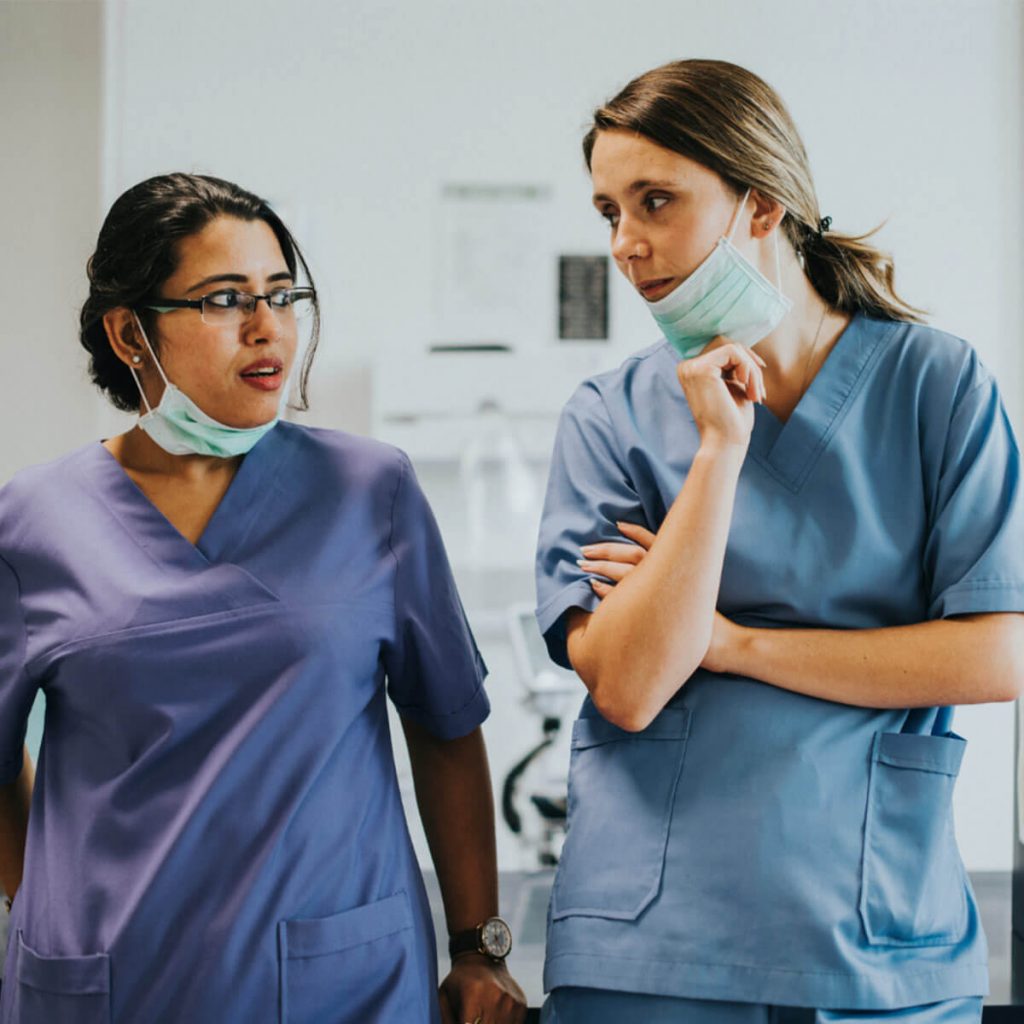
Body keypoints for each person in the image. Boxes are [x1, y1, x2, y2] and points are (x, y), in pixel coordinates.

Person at [534, 60, 1024, 1024]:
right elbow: (630, 684)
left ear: (761, 203)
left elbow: (996, 652)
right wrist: (720, 446)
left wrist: (725, 643)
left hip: (874, 946)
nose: (626, 246)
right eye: (608, 213)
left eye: (656, 202)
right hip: (648, 949)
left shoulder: (937, 387)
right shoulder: (613, 416)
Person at [0, 173, 527, 1024]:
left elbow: (446, 725)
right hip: (110, 989)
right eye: (224, 299)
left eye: (282, 295)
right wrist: (54, 913)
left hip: (341, 983)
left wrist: (477, 947)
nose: (266, 326)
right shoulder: (32, 523)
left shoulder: (370, 491)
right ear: (130, 331)